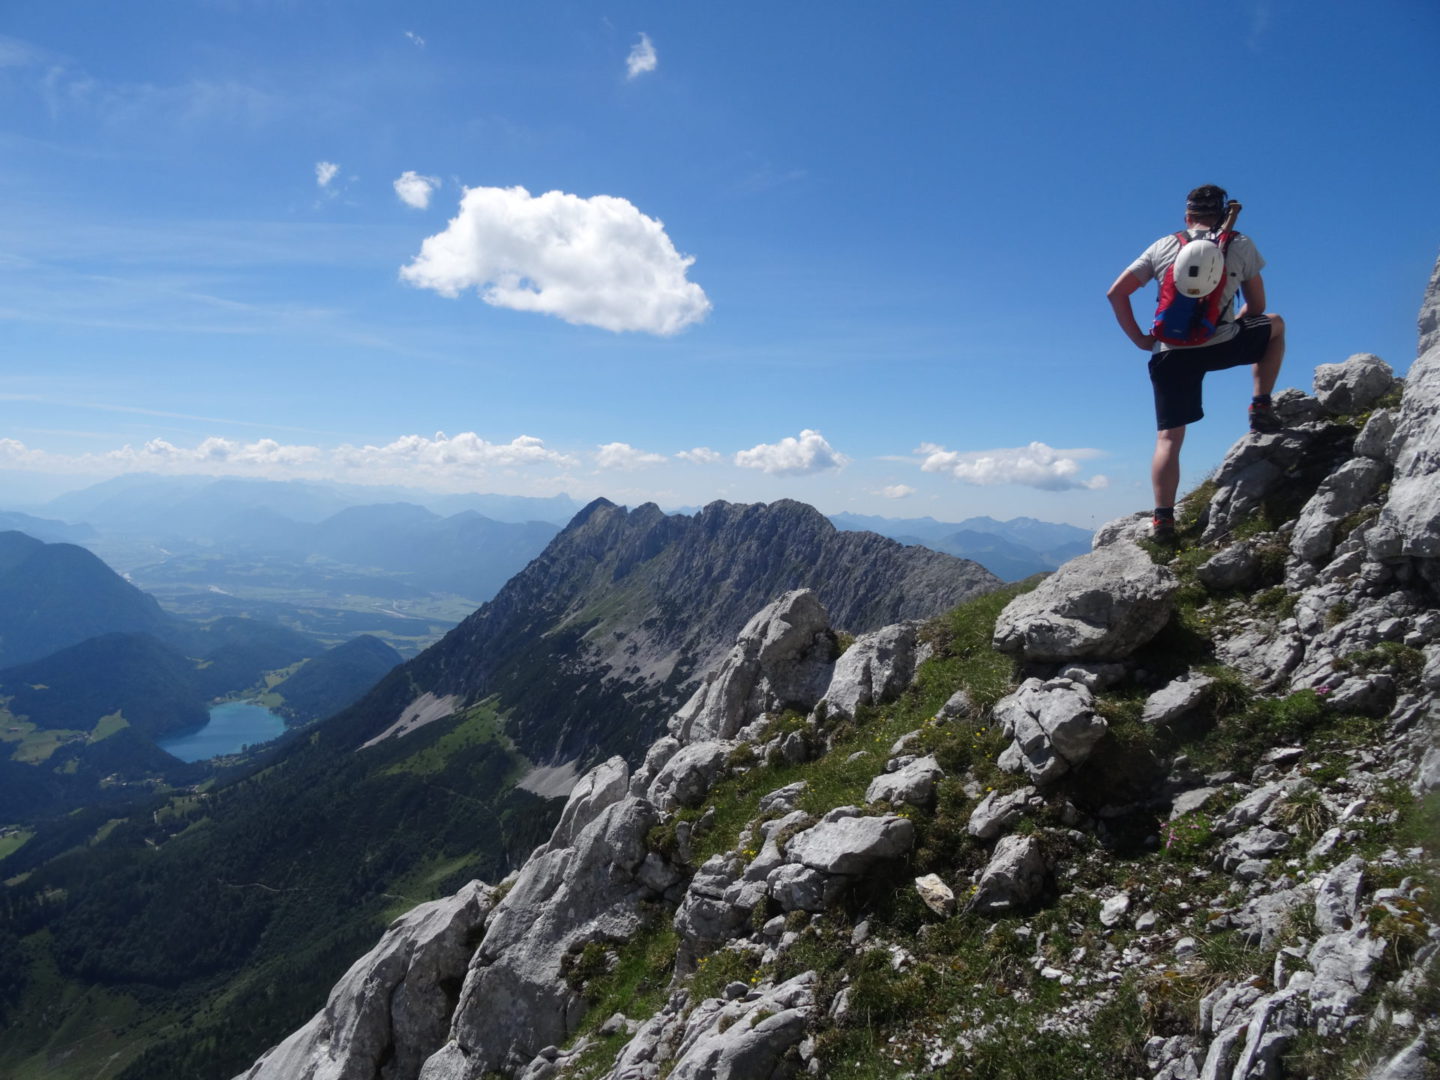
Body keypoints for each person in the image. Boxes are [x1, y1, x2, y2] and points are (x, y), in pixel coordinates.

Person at [1107, 184, 1286, 543]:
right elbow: (1258, 305)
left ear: (1187, 215)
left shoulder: (1165, 245)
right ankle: (1261, 405)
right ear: (1222, 214)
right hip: (1221, 344)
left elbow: (1117, 293)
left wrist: (1143, 340)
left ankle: (1163, 522)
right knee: (1277, 325)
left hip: (1169, 353)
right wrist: (1227, 326)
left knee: (1168, 439)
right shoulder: (1240, 243)